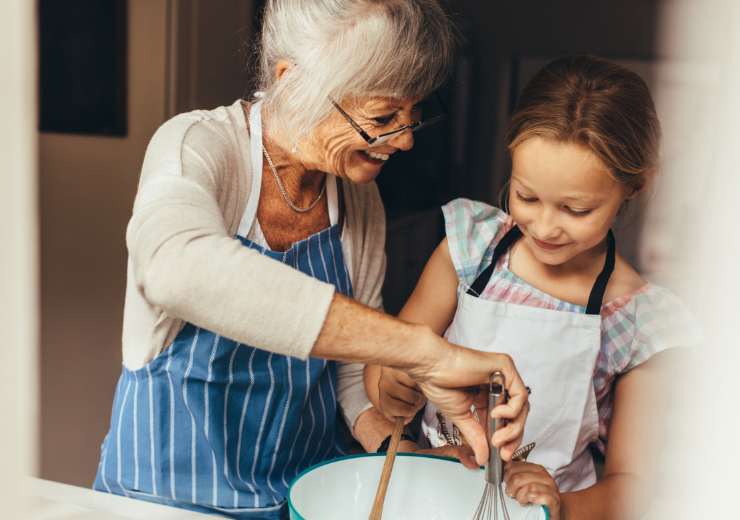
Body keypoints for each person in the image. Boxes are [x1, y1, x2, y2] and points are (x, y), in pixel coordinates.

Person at [92, 1, 529, 518]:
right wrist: (422, 351)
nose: (406, 140)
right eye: (384, 117)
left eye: (413, 115)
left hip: (299, 498)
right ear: (292, 81)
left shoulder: (359, 200)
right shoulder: (199, 148)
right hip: (162, 501)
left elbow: (346, 374)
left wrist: (399, 450)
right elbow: (174, 269)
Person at [366, 55, 701, 519]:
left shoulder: (638, 321)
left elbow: (632, 488)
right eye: (526, 196)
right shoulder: (471, 246)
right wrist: (392, 385)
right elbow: (386, 363)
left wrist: (560, 507)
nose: (544, 226)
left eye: (576, 210)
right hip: (430, 500)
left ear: (635, 186)